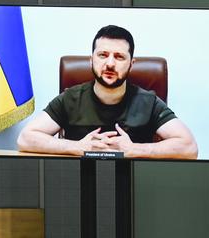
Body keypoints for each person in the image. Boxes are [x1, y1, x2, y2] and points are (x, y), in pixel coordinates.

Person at [17, 25, 198, 160]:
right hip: (78, 181)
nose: (110, 64)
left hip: (133, 182)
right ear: (91, 60)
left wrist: (134, 150)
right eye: (103, 55)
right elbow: (25, 139)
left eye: (119, 57)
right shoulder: (71, 98)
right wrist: (78, 147)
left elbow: (189, 147)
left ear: (131, 64)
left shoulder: (148, 102)